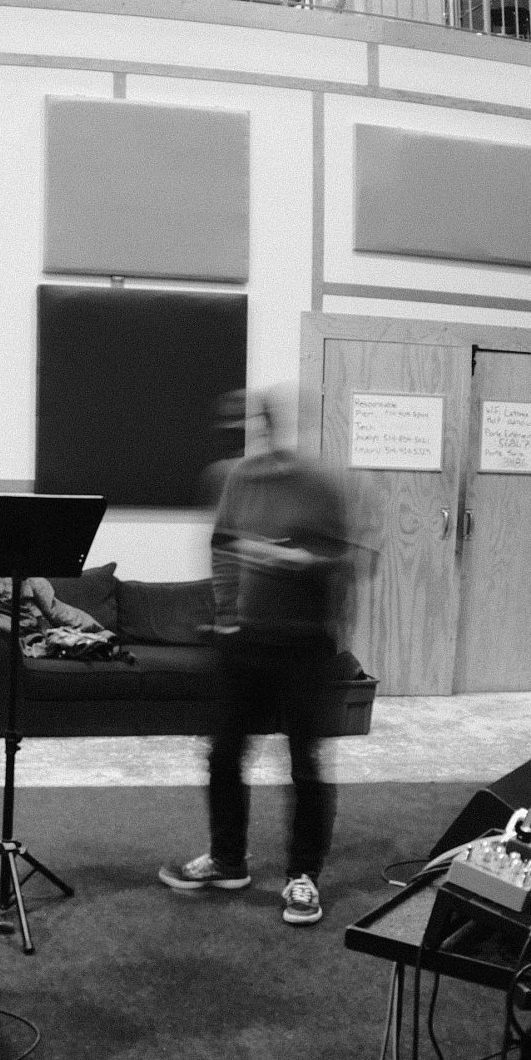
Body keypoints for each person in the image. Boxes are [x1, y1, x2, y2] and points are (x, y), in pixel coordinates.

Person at [161, 390, 352, 927]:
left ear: (272, 425)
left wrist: (296, 560)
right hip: (245, 642)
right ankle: (228, 859)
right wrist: (225, 614)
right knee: (223, 754)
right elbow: (223, 547)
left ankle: (303, 876)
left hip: (305, 642)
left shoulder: (318, 485)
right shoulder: (236, 481)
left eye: (250, 425)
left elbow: (341, 558)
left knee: (305, 763)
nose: (243, 438)